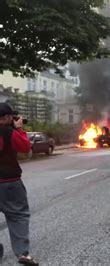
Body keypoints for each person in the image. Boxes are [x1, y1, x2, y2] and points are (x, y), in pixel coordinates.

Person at [0, 103, 38, 265]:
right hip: (10, 182)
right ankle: (22, 253)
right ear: (8, 117)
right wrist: (20, 129)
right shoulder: (10, 133)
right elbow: (25, 148)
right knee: (18, 216)